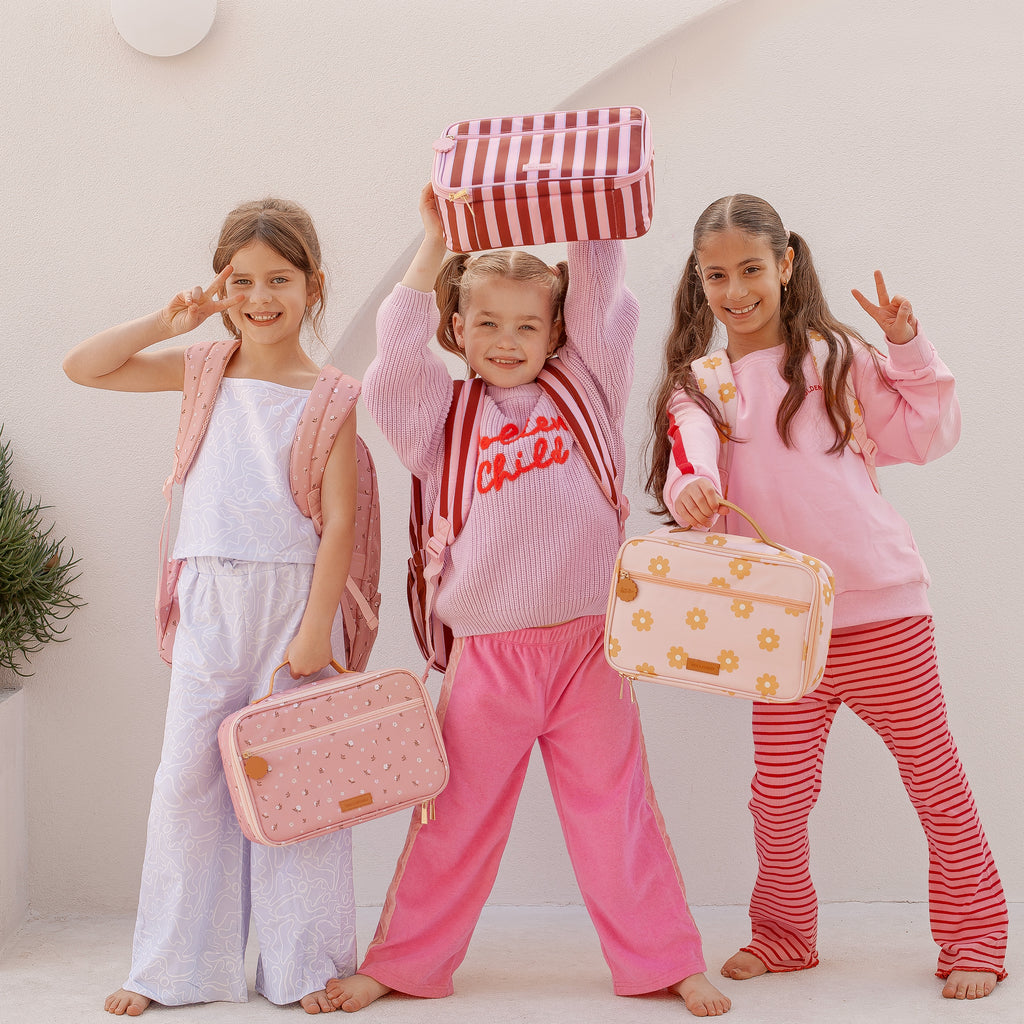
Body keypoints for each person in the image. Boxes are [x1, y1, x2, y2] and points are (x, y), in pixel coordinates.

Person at [325, 184, 731, 1017]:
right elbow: (392, 362)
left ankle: (663, 960)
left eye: (526, 326)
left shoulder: (586, 386)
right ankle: (404, 963)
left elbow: (601, 296)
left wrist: (590, 205)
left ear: (556, 333)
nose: (506, 342)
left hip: (588, 650)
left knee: (617, 816)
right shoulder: (440, 417)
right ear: (457, 329)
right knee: (452, 821)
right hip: (488, 659)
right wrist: (434, 240)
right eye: (486, 324)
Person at [647, 193, 1007, 1001]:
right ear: (698, 281)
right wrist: (692, 490)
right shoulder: (700, 385)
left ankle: (976, 935)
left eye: (750, 269)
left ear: (785, 265)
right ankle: (784, 936)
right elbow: (689, 459)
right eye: (715, 275)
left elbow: (924, 435)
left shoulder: (834, 357)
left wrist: (907, 346)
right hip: (779, 629)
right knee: (776, 798)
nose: (734, 290)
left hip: (883, 611)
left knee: (934, 778)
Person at [63, 198, 359, 1016]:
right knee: (187, 784)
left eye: (280, 280)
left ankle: (304, 965)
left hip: (295, 603)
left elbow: (340, 523)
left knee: (300, 782)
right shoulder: (201, 369)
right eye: (242, 281)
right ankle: (175, 968)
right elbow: (84, 367)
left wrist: (315, 630)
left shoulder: (332, 393)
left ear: (314, 285)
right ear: (221, 287)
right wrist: (168, 321)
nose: (260, 297)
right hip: (210, 600)